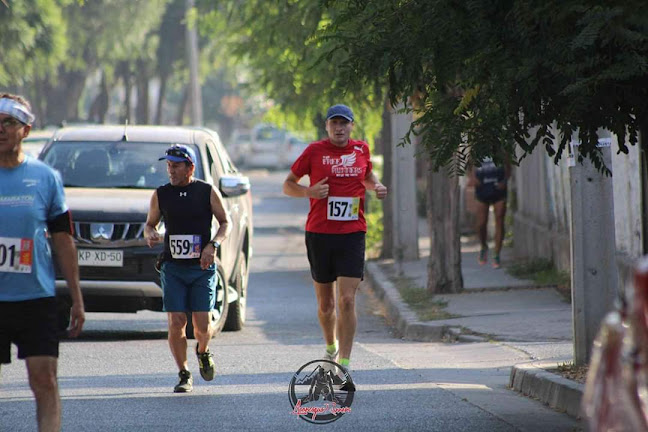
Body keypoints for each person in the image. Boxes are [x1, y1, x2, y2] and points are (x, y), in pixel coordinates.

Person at [283, 104, 387, 391]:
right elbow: (287, 184)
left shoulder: (361, 150)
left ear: (351, 126)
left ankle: (345, 363)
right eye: (334, 124)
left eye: (344, 123)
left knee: (347, 300)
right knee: (326, 305)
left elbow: (366, 176)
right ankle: (330, 345)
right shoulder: (314, 151)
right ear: (327, 127)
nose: (339, 128)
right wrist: (308, 191)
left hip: (353, 233)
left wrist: (376, 186)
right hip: (319, 234)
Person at [0, 93, 85, 432]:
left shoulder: (46, 178)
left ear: (26, 129)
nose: (1, 130)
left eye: (9, 123)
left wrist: (77, 298)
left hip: (35, 298)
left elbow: (63, 239)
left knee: (45, 380)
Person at [144, 144, 231, 393]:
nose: (170, 170)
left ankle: (202, 351)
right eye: (168, 165)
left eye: (176, 165)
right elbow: (149, 224)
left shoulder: (206, 191)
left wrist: (213, 245)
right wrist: (151, 234)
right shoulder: (161, 194)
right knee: (176, 321)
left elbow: (226, 222)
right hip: (173, 267)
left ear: (190, 168)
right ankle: (183, 373)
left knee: (202, 326)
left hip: (201, 267)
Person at [467, 156, 511, 269]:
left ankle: (497, 254)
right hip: (482, 188)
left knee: (500, 219)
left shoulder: (501, 148)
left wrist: (505, 181)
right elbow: (469, 164)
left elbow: (509, 166)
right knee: (481, 223)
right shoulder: (477, 146)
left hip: (499, 189)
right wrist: (472, 178)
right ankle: (483, 246)